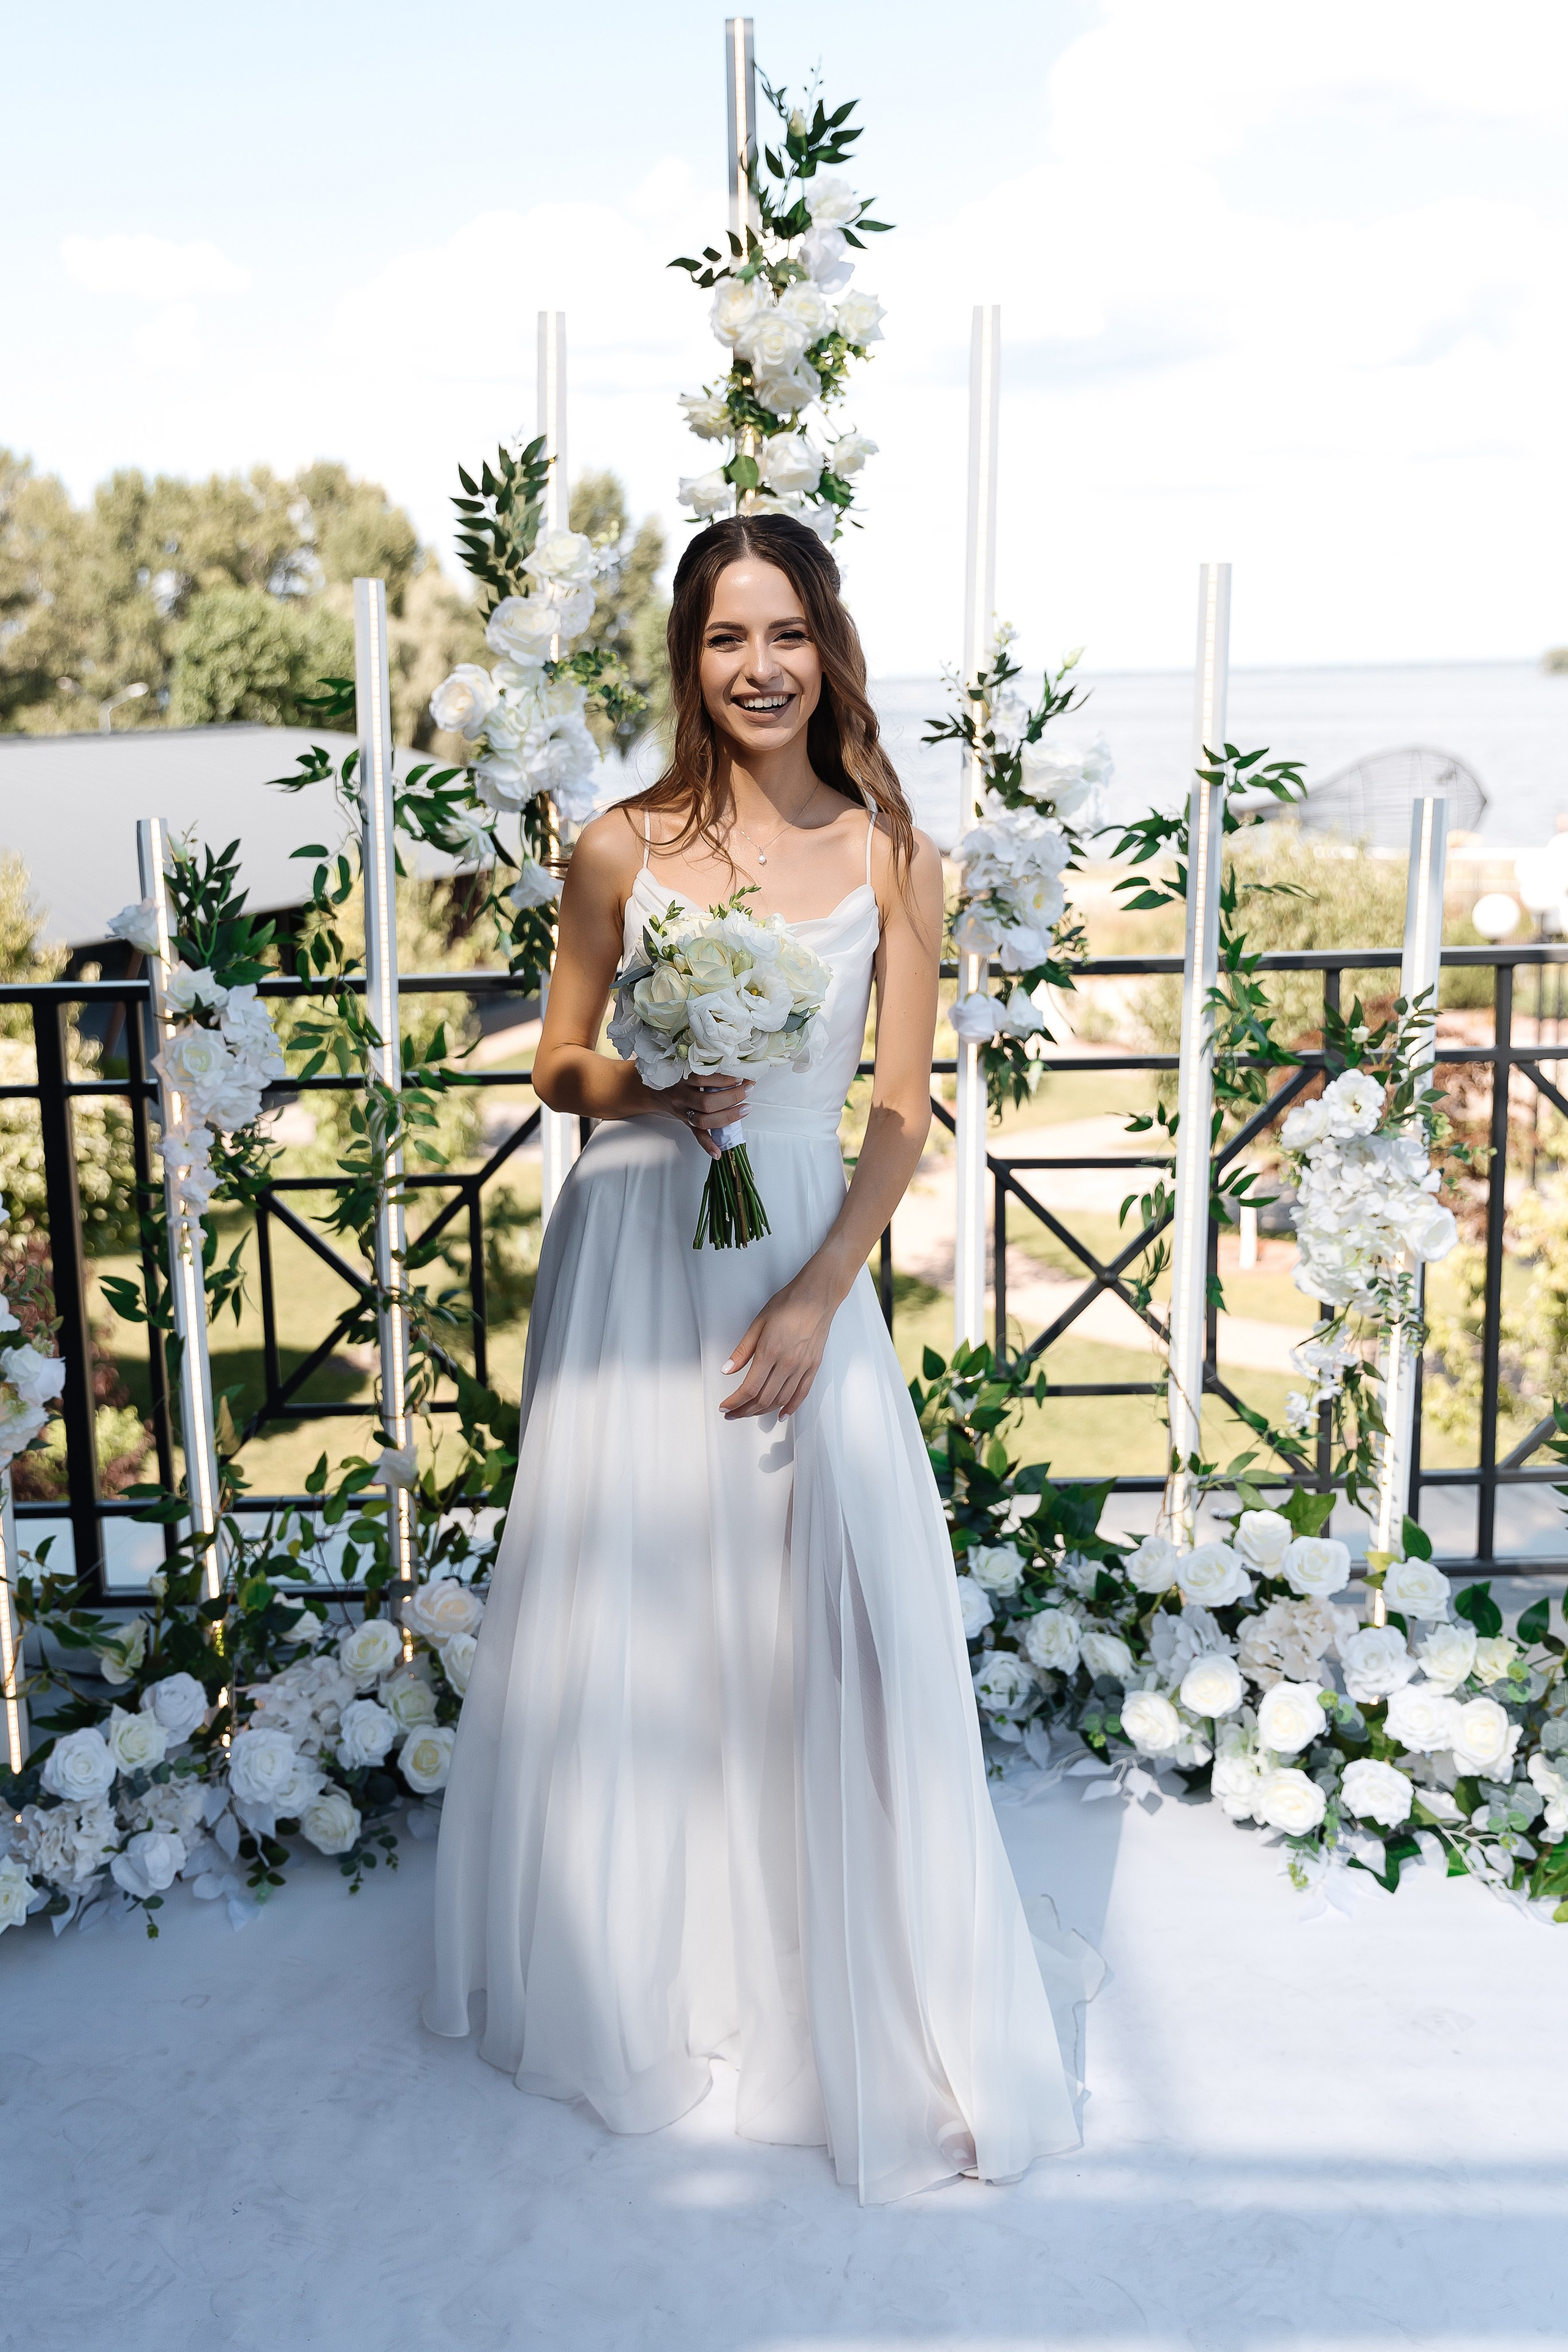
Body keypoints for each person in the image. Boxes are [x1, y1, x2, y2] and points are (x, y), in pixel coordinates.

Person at [424, 511, 1095, 2204]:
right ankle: (656, 1976)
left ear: (828, 641)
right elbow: (553, 1064)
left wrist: (819, 1294)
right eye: (728, 637)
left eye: (786, 632)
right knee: (649, 1611)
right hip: (643, 1240)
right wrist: (649, 1089)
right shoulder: (616, 845)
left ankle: (896, 2005)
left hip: (804, 1242)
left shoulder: (893, 857)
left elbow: (898, 1110)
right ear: (689, 656)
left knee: (842, 1610)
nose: (760, 666)